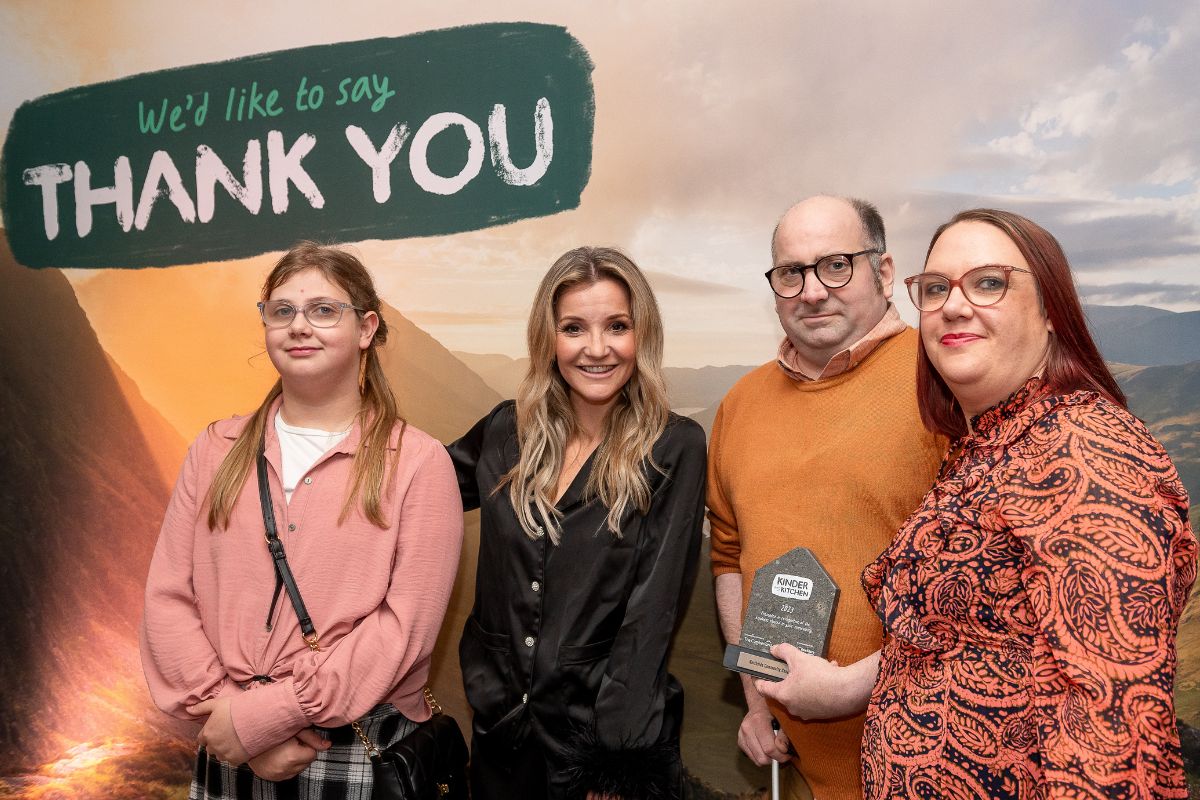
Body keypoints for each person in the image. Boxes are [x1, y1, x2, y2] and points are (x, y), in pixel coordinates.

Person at [858, 209, 1196, 797]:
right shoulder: (991, 444)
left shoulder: (1085, 450)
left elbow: (1113, 734)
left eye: (988, 282)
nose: (953, 305)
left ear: (1050, 312)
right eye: (934, 288)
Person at [140, 242, 464, 798]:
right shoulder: (214, 450)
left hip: (356, 750)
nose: (299, 327)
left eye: (323, 310)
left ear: (366, 329)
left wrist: (272, 714)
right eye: (282, 311)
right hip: (231, 746)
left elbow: (404, 629)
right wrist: (231, 717)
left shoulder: (418, 462)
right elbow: (169, 596)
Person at [447, 246, 706, 799]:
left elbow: (652, 613)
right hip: (501, 733)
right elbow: (415, 487)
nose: (596, 348)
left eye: (617, 326)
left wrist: (613, 765)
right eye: (573, 328)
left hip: (595, 748)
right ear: (549, 339)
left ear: (643, 335)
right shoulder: (504, 431)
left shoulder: (674, 447)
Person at [708, 195, 945, 799]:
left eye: (836, 265)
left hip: (930, 763)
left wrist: (855, 688)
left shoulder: (944, 379)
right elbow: (730, 559)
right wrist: (758, 700)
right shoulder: (740, 404)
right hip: (798, 772)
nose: (812, 291)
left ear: (885, 272)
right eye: (791, 273)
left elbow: (990, 588)